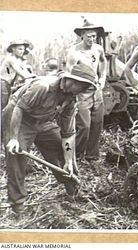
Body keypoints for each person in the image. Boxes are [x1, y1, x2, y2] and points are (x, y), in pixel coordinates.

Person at [4, 63, 98, 214]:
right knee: (16, 157)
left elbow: (67, 135)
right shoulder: (43, 87)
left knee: (59, 149)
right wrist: (14, 138)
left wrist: (68, 160)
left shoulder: (71, 101)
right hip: (19, 118)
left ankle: (73, 191)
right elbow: (18, 109)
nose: (82, 92)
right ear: (72, 81)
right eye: (82, 87)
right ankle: (18, 205)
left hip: (43, 121)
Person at [66, 20, 107, 161]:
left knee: (97, 123)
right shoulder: (74, 52)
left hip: (97, 90)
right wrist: (73, 94)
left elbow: (103, 62)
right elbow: (69, 74)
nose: (92, 39)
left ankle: (92, 155)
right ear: (82, 35)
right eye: (89, 36)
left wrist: (103, 79)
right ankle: (75, 156)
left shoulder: (98, 49)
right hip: (82, 92)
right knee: (84, 126)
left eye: (94, 36)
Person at [0, 39, 36, 109]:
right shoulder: (10, 59)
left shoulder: (17, 60)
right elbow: (23, 74)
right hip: (3, 84)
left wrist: (29, 69)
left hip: (7, 84)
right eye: (20, 49)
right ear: (13, 49)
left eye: (23, 49)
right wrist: (34, 76)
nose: (22, 51)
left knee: (6, 104)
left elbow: (24, 68)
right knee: (3, 106)